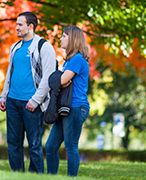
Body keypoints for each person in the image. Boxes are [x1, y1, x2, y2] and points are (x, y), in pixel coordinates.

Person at [0, 12, 56, 173]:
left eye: (20, 24)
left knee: (34, 145)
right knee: (13, 144)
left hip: (31, 104)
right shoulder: (15, 47)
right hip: (12, 102)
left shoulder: (44, 46)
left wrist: (35, 101)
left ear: (31, 26)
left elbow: (48, 77)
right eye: (16, 24)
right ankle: (17, 175)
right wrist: (4, 96)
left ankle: (36, 175)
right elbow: (9, 73)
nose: (16, 27)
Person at [45, 26, 90, 176]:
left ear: (73, 39)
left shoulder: (77, 59)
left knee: (71, 146)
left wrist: (58, 79)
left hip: (76, 107)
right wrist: (58, 80)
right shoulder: (70, 61)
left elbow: (62, 80)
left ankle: (72, 178)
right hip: (65, 107)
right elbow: (59, 82)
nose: (61, 38)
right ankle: (51, 177)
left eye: (64, 36)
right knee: (51, 146)